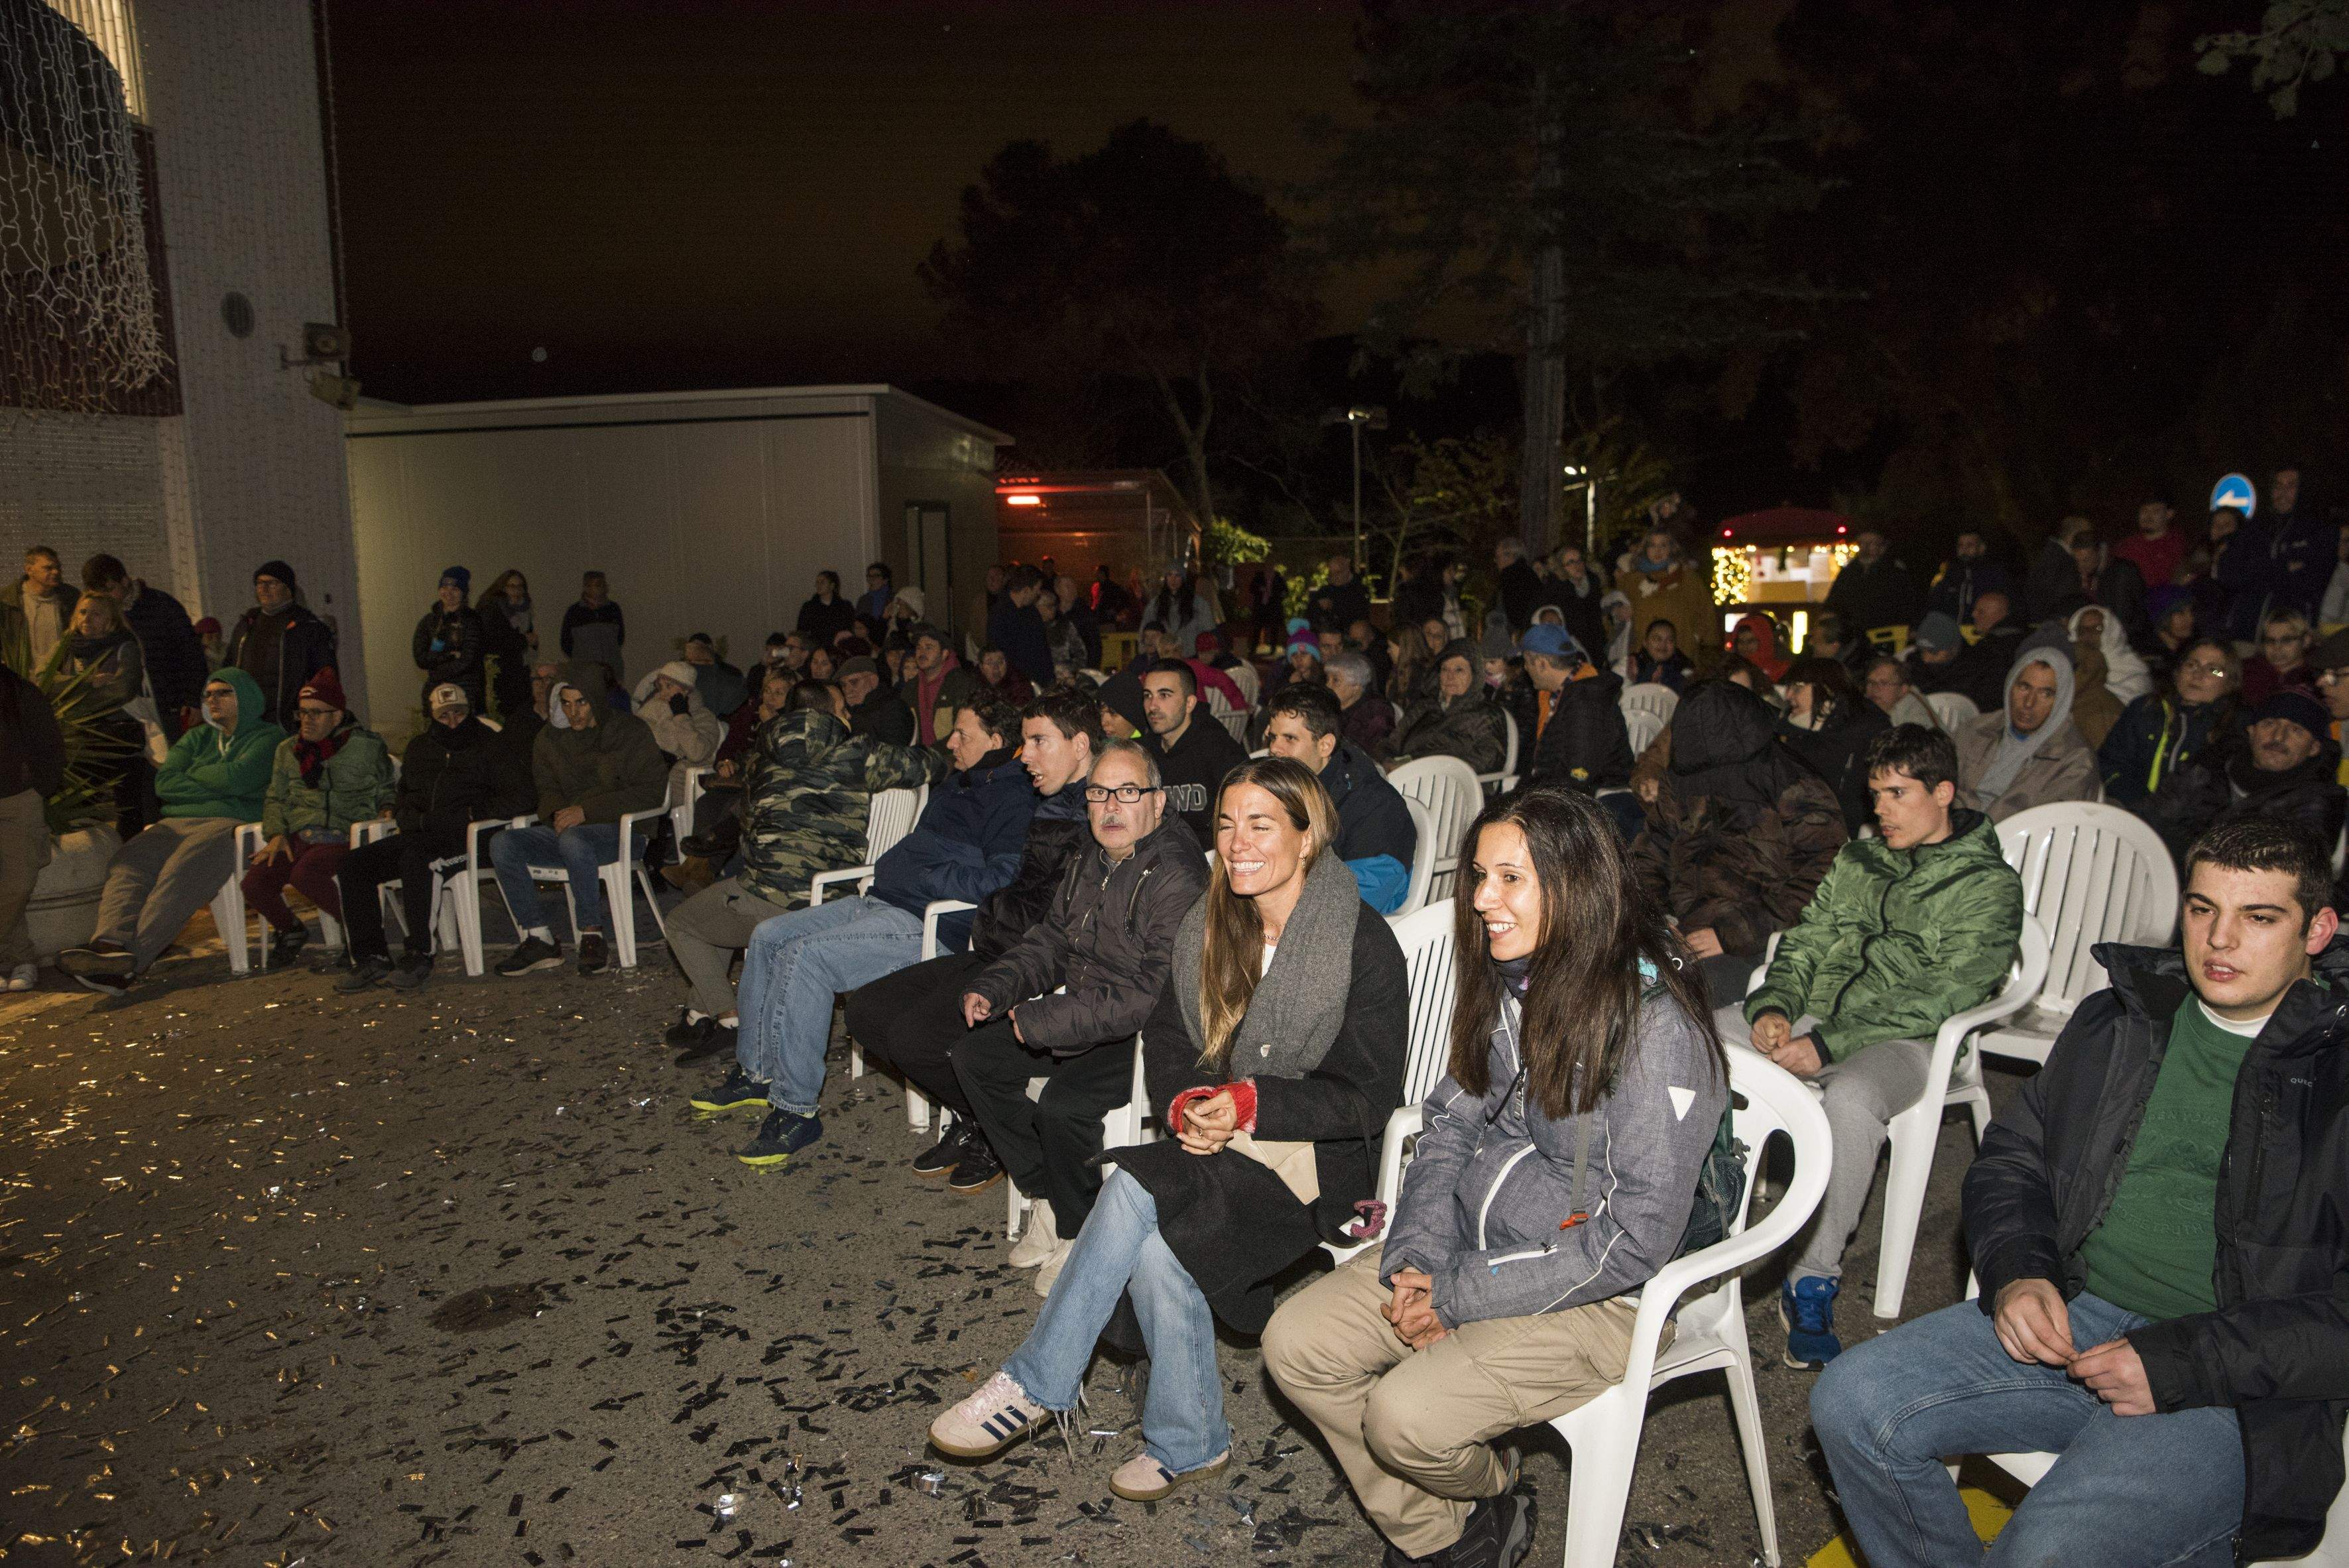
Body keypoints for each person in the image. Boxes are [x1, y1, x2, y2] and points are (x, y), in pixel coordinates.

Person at [1811, 817, 2349, 1568]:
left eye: (2258, 917)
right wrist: (2020, 1268)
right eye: (2202, 909)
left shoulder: (2335, 1073)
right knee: (1850, 1400)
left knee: (2048, 1551)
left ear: (2318, 928)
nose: (2220, 940)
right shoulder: (2122, 1018)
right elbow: (2013, 1158)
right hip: (2080, 1316)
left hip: (2235, 1377)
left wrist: (2183, 1362)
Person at [1265, 787, 1732, 1565]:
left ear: (1576, 885)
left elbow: (1632, 1241)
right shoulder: (1524, 982)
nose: (1482, 900)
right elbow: (1448, 1123)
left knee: (1402, 1416)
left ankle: (1477, 1495)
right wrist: (1416, 1254)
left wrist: (1454, 1294)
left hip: (1607, 1293)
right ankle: (1457, 1523)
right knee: (1296, 1344)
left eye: (1510, 878)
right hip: (1476, 1245)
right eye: (1480, 875)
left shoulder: (1655, 1031)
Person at [929, 757, 1407, 1503]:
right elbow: (1173, 1039)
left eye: (1261, 824)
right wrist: (1187, 1103)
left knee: (1132, 1186)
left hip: (1317, 1155)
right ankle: (1190, 1439)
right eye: (1226, 823)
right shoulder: (1213, 925)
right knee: (1153, 1237)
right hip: (1221, 1134)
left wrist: (1250, 1103)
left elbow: (1368, 1099)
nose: (1237, 842)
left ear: (1308, 838)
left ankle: (1036, 1381)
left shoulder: (1360, 941)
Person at [1726, 724, 2024, 1364]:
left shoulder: (1987, 885)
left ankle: (1811, 1278)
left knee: (1853, 1098)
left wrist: (1830, 1045)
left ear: (1942, 792)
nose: (1880, 810)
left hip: (1905, 1039)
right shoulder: (1857, 861)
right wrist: (1774, 1005)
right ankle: (1688, 1230)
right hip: (1815, 1018)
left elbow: (1949, 991)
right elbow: (1803, 940)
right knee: (1691, 1039)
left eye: (1896, 793)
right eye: (1874, 794)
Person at [695, 695, 1036, 1166]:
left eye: (963, 734)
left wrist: (924, 875)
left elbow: (999, 880)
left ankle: (796, 1109)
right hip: (880, 900)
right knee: (769, 935)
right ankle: (756, 1072)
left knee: (806, 958)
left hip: (923, 921)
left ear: (996, 742)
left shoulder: (1012, 798)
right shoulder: (959, 784)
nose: (949, 742)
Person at [953, 739, 1207, 1286]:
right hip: (1086, 1009)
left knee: (1062, 1108)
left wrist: (1048, 1019)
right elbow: (1050, 941)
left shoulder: (1177, 874)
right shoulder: (1091, 858)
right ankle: (1048, 1192)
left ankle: (1082, 1230)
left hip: (1150, 1034)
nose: (1110, 806)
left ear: (1158, 804)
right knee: (973, 1057)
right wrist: (996, 986)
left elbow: (1149, 995)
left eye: (1127, 792)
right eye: (1098, 793)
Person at [845, 689, 1101, 1166]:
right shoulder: (1048, 801)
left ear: (1080, 744)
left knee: (913, 1038)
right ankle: (981, 1121)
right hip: (1001, 947)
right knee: (866, 1010)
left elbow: (1064, 920)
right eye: (1023, 743)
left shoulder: (1096, 814)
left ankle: (1013, 1134)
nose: (1024, 756)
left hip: (1037, 966)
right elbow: (1021, 888)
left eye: (1038, 742)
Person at [661, 680, 931, 1058]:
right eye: (843, 709)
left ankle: (722, 1018)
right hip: (830, 896)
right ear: (832, 711)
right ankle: (712, 1015)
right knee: (708, 911)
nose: (849, 716)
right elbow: (923, 766)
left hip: (773, 894)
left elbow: (749, 828)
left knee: (683, 922)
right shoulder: (856, 753)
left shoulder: (760, 757)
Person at [56, 668, 288, 995]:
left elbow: (240, 779)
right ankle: (110, 945)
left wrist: (194, 776)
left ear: (246, 697)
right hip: (174, 823)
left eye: (223, 693)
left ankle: (129, 962)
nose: (212, 700)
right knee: (128, 860)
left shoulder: (268, 738)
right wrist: (218, 780)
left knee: (182, 871)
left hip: (228, 823)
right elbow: (165, 783)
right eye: (208, 694)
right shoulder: (196, 738)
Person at [1634, 678, 1848, 1004]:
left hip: (1757, 940)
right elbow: (1649, 855)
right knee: (1595, 978)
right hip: (1680, 929)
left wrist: (1732, 934)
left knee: (1668, 1001)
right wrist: (1659, 921)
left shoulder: (1796, 788)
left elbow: (1824, 882)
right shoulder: (1684, 780)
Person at [336, 680, 541, 991]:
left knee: (420, 861)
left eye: (459, 713)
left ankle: (419, 953)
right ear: (432, 716)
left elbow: (522, 797)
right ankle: (371, 957)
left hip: (469, 840)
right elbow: (405, 796)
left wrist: (472, 813)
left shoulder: (493, 745)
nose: (453, 722)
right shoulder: (421, 748)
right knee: (355, 863)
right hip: (423, 833)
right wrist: (409, 816)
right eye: (445, 716)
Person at [488, 667, 669, 977]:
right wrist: (557, 812)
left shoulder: (629, 732)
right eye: (567, 703)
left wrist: (587, 811)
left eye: (582, 703)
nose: (574, 712)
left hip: (623, 831)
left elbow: (651, 792)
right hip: (569, 832)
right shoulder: (550, 738)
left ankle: (591, 934)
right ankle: (538, 936)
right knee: (503, 843)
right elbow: (546, 789)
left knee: (574, 838)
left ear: (597, 701)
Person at [237, 668, 392, 967]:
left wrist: (387, 811)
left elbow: (387, 789)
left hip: (343, 832)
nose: (307, 720)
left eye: (317, 713)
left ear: (337, 716)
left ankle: (360, 934)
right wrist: (277, 834)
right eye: (303, 713)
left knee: (305, 875)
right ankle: (291, 930)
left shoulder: (365, 747)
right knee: (254, 883)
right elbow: (275, 797)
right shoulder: (288, 750)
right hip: (298, 835)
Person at [2140, 690, 2345, 874]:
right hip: (2162, 879)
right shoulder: (2205, 769)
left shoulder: (2319, 800)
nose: (2278, 737)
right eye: (2269, 724)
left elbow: (2285, 869)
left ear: (2314, 748)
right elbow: (2149, 822)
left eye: (2296, 730)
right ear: (2251, 731)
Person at [1261, 683, 1416, 914]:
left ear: (1325, 745)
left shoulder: (1375, 804)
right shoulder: (1288, 785)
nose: (1275, 748)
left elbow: (1366, 895)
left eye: (1290, 739)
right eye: (1273, 737)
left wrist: (1279, 895)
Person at [1954, 646, 2098, 823]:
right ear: (2010, 686)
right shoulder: (1974, 730)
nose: (2029, 703)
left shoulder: (2074, 760)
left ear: (2061, 700)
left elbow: (2055, 827)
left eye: (2046, 693)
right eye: (2024, 687)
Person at [2101, 638, 2242, 808]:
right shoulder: (2145, 709)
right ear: (2177, 673)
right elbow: (2111, 763)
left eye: (2214, 670)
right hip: (2134, 814)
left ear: (2230, 683)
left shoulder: (2234, 727)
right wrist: (2143, 806)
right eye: (2191, 665)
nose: (2198, 675)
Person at [81, 554, 205, 735]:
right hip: (124, 707)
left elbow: (191, 653)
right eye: (101, 593)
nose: (108, 597)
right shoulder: (100, 613)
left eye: (110, 589)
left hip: (168, 701)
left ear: (124, 581)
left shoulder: (161, 605)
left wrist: (194, 699)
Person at [1517, 624, 1636, 810]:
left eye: (1527, 662)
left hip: (1599, 801)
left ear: (1541, 663)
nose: (1525, 668)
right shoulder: (1556, 694)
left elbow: (1579, 776)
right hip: (1564, 792)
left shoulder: (1587, 702)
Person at [1139, 657, 1249, 845]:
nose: (1153, 706)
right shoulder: (1143, 752)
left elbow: (1247, 814)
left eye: (1164, 695)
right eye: (1148, 695)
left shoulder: (1220, 750)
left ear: (1190, 703)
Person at [0, 666, 64, 991]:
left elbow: (48, 741)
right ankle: (19, 959)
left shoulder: (19, 691)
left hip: (18, 799)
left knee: (20, 881)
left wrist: (41, 785)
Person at [1778, 655, 1893, 835]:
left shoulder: (1866, 728)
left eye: (1798, 687)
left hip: (1852, 831)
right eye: (1789, 687)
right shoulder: (1790, 728)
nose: (1788, 695)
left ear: (1826, 688)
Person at [224, 560, 337, 728]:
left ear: (288, 589)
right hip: (249, 719)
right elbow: (229, 668)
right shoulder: (246, 626)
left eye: (272, 583)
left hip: (289, 721)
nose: (264, 588)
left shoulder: (308, 627)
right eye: (260, 583)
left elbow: (325, 678)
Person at [2216, 465, 2328, 634]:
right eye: (2278, 486)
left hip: (2291, 634)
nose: (2283, 493)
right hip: (2245, 630)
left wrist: (2260, 570)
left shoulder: (2317, 531)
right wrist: (2283, 568)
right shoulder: (2252, 529)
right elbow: (2229, 574)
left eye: (2291, 486)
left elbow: (2313, 580)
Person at [1389, 639, 1508, 775]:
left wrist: (1428, 770)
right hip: (1406, 779)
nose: (1450, 677)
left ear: (1474, 676)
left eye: (1459, 670)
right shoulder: (1423, 708)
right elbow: (1393, 742)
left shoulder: (1486, 715)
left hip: (1455, 786)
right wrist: (1386, 761)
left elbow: (1490, 758)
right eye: (1445, 669)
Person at [1620, 530, 1715, 678]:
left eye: (1663, 546)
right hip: (1642, 658)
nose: (1658, 551)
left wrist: (1703, 644)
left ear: (1671, 549)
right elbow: (1616, 612)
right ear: (1645, 549)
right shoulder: (1632, 580)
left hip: (1682, 655)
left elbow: (1706, 614)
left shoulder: (1687, 578)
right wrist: (1619, 612)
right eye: (1653, 546)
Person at [631, 660, 724, 805]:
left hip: (671, 774)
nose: (663, 693)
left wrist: (681, 716)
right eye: (660, 687)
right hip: (644, 765)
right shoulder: (653, 707)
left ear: (686, 690)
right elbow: (635, 734)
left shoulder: (703, 716)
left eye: (669, 686)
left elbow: (697, 753)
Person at [2065, 604, 2151, 749]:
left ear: (2112, 630)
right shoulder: (2072, 669)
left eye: (2098, 629)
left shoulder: (2133, 671)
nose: (2089, 635)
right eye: (2083, 630)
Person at [410, 566, 486, 712]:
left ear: (463, 594)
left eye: (455, 589)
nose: (449, 593)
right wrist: (446, 656)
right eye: (445, 588)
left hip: (466, 690)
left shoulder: (472, 620)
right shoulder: (428, 622)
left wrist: (439, 668)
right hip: (436, 688)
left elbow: (469, 659)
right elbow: (421, 659)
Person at [1825, 527, 1925, 638]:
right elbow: (1833, 603)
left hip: (1886, 637)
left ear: (1882, 547)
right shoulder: (1849, 573)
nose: (1866, 549)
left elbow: (1910, 604)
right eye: (1862, 544)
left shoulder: (1895, 573)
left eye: (1871, 544)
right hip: (1854, 638)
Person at [899, 623, 981, 749]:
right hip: (919, 758)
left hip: (953, 756)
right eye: (919, 648)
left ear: (944, 654)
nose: (922, 653)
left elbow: (966, 730)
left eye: (929, 648)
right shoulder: (911, 688)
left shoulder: (961, 684)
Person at [0, 545, 76, 678]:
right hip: (20, 680)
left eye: (58, 567)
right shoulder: (7, 601)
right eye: (48, 568)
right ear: (29, 570)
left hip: (60, 680)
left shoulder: (71, 598)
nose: (56, 572)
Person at [477, 568, 537, 719]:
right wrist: (524, 641)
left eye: (520, 586)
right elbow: (494, 641)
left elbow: (528, 636)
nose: (517, 590)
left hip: (521, 669)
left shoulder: (525, 610)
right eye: (512, 586)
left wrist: (532, 642)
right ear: (502, 588)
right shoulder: (492, 608)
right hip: (500, 672)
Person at [1925, 529, 2016, 625]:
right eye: (1960, 546)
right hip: (1951, 634)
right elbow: (1932, 606)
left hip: (1982, 633)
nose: (1964, 550)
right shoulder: (1948, 577)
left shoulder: (1994, 576)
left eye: (1970, 545)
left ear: (1982, 548)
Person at [558, 570, 625, 686]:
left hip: (612, 673)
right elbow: (566, 643)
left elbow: (620, 638)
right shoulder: (574, 612)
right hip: (584, 674)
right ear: (587, 588)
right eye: (598, 585)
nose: (603, 588)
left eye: (603, 584)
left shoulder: (613, 609)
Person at [1325, 650, 1395, 759]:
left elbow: (1366, 751)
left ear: (1356, 686)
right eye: (1328, 679)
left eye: (1335, 680)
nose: (1328, 685)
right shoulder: (1330, 708)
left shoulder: (1377, 711)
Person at [2112, 494, 2187, 593]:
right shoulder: (2127, 545)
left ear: (2169, 514)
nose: (2148, 517)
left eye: (2156, 511)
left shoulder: (2177, 543)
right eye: (2144, 511)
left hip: (2166, 598)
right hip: (2132, 599)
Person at [2240, 607, 2314, 706]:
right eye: (2270, 641)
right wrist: (2217, 671)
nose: (2277, 648)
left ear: (2306, 641)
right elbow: (2219, 673)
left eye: (2286, 640)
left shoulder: (2315, 677)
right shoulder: (2248, 668)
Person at [1144, 566, 1219, 657]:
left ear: (1183, 578)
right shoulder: (1156, 604)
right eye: (1170, 575)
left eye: (1177, 575)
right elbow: (1146, 629)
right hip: (1165, 657)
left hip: (1192, 655)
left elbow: (1209, 631)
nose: (1173, 579)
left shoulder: (1198, 603)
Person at [1862, 654, 1941, 733]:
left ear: (1903, 690)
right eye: (1871, 682)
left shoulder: (1916, 721)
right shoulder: (1866, 705)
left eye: (1884, 683)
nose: (1875, 689)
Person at [680, 631, 747, 719]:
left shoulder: (728, 673)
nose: (694, 652)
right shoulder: (682, 674)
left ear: (709, 648)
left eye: (698, 648)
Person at [1309, 553, 1374, 634]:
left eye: (1338, 573)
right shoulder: (1325, 591)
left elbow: (1358, 614)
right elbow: (1311, 611)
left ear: (1347, 570)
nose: (1334, 577)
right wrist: (1319, 606)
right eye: (1331, 573)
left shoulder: (1360, 590)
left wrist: (1333, 605)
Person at [794, 570, 857, 648]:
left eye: (822, 582)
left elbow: (851, 629)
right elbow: (802, 632)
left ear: (832, 586)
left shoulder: (845, 606)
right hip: (817, 649)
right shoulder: (809, 607)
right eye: (817, 582)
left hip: (840, 649)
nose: (819, 586)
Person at [1494, 537, 1545, 633]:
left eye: (1498, 557)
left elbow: (1511, 614)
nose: (1497, 562)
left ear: (1509, 556)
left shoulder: (1510, 576)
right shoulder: (1530, 574)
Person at [1629, 618, 1694, 691]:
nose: (1663, 644)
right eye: (1657, 639)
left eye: (1670, 640)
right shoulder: (1632, 664)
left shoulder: (1684, 667)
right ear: (1645, 642)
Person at [1036, 585, 1088, 676]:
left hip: (1064, 677)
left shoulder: (1065, 626)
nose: (1053, 609)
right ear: (1037, 607)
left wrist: (1067, 669)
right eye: (1049, 606)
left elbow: (1081, 654)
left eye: (1054, 605)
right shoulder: (1030, 628)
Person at [1725, 611, 1790, 681]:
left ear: (1764, 641)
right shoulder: (1730, 671)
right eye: (1740, 641)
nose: (1745, 646)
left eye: (1751, 641)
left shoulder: (1782, 671)